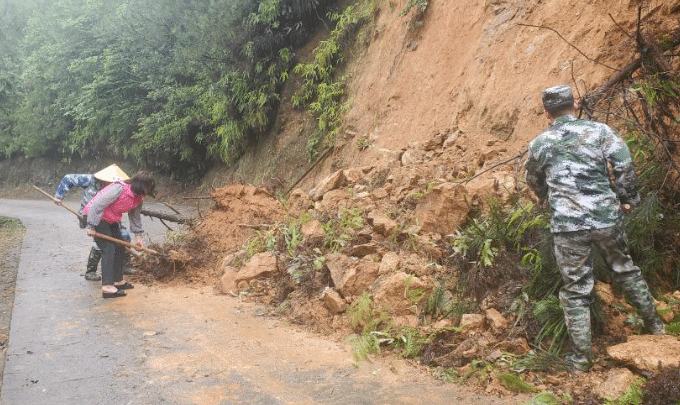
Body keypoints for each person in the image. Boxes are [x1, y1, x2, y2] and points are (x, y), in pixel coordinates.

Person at [524, 84, 665, 372]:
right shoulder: (600, 132)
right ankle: (656, 327)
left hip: (567, 226)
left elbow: (533, 179)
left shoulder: (540, 143)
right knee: (625, 269)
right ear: (574, 105)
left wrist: (544, 196)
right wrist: (627, 198)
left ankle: (580, 361)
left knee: (576, 289)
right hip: (605, 218)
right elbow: (624, 163)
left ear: (546, 112)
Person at [53, 164, 135, 281]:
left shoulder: (119, 187)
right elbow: (68, 178)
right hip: (89, 214)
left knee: (124, 236)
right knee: (102, 240)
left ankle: (124, 265)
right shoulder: (91, 180)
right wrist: (59, 196)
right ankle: (90, 271)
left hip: (109, 217)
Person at [83, 171, 155, 298]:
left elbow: (135, 219)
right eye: (148, 188)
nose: (148, 192)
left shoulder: (138, 199)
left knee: (120, 247)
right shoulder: (119, 188)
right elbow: (97, 205)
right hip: (96, 217)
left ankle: (118, 281)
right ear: (142, 186)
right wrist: (90, 226)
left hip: (112, 220)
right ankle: (107, 287)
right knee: (108, 248)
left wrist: (138, 238)